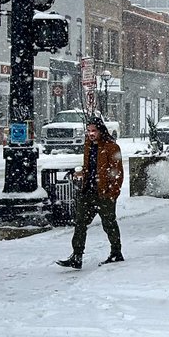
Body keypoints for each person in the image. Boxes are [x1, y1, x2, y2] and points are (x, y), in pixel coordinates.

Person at [57, 115, 124, 269]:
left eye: (94, 130)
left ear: (101, 130)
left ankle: (116, 252)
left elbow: (117, 172)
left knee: (109, 223)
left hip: (104, 192)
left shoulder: (111, 147)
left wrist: (112, 193)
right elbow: (89, 166)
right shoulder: (88, 145)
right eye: (88, 130)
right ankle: (77, 256)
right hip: (88, 190)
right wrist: (82, 174)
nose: (91, 133)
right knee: (80, 222)